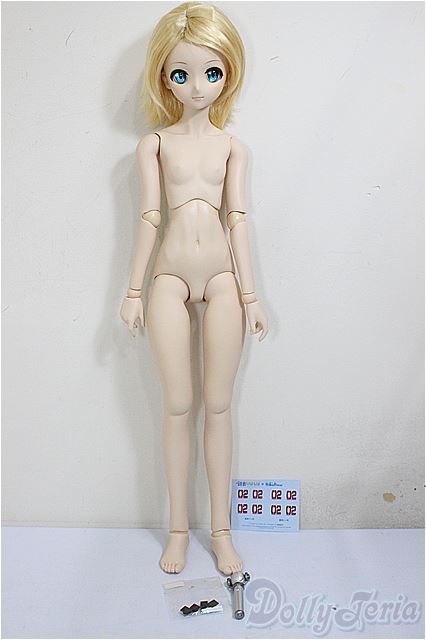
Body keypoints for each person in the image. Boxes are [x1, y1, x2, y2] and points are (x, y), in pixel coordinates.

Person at [120, 1, 268, 575]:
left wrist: (251, 295)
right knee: (178, 404)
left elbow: (239, 220)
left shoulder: (234, 148)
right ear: (164, 76)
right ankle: (179, 530)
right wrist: (133, 290)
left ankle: (221, 532)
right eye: (181, 73)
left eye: (212, 72)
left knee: (219, 404)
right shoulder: (154, 145)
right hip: (169, 277)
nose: (198, 86)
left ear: (229, 72)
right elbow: (149, 217)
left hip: (225, 278)